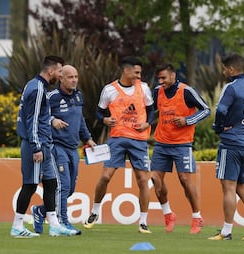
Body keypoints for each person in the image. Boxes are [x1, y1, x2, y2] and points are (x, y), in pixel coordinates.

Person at [84, 56, 155, 233]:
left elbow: (151, 109)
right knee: (106, 176)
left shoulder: (143, 88)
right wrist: (105, 119)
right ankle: (94, 211)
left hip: (138, 140)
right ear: (126, 70)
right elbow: (99, 113)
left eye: (140, 72)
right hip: (116, 139)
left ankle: (143, 222)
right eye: (136, 72)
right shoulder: (109, 90)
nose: (139, 76)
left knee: (143, 180)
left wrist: (148, 123)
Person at [11, 55, 77, 237]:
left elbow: (37, 116)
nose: (60, 75)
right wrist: (36, 147)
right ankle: (17, 226)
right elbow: (31, 121)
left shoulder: (32, 85)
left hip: (45, 144)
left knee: (51, 183)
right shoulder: (38, 89)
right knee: (30, 185)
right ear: (51, 71)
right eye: (60, 71)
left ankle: (54, 224)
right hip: (37, 145)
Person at [31, 65, 96, 235]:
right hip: (56, 146)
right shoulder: (51, 96)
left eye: (76, 76)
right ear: (61, 78)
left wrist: (87, 138)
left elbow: (80, 121)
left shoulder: (79, 96)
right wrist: (52, 119)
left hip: (73, 148)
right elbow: (38, 115)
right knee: (63, 186)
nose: (74, 80)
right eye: (70, 77)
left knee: (70, 189)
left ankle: (41, 211)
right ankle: (62, 223)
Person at [208, 54, 244, 241]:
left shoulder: (231, 87)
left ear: (231, 70)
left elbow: (221, 110)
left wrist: (218, 127)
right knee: (241, 185)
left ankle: (226, 231)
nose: (224, 72)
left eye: (225, 69)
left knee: (228, 187)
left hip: (231, 144)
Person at [150, 63, 210, 234]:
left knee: (184, 179)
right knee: (155, 178)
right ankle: (168, 214)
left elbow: (206, 110)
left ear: (173, 76)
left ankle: (197, 217)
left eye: (164, 78)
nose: (161, 81)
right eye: (159, 78)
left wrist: (187, 120)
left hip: (182, 144)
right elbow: (150, 110)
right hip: (162, 143)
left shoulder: (186, 91)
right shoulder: (157, 91)